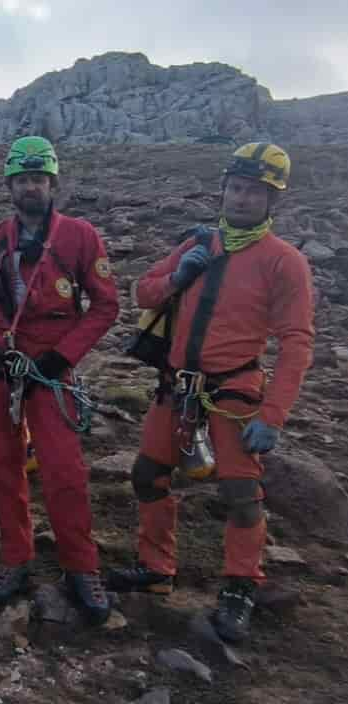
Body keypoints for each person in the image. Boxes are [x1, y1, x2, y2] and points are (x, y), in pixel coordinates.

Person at [107, 143, 314, 643]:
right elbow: (145, 292)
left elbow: (296, 341)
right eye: (236, 188)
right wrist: (180, 274)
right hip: (176, 389)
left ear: (272, 201)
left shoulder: (284, 263)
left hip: (235, 394)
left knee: (241, 495)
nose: (242, 199)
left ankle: (241, 587)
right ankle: (157, 568)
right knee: (147, 476)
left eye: (256, 192)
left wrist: (274, 414)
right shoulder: (199, 241)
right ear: (224, 189)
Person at [0, 136, 119, 624]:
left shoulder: (80, 236)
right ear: (10, 184)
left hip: (50, 372)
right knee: (3, 467)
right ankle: (16, 558)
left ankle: (81, 565)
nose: (31, 187)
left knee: (64, 471)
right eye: (23, 179)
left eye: (39, 179)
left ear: (52, 183)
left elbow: (106, 304)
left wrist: (61, 356)